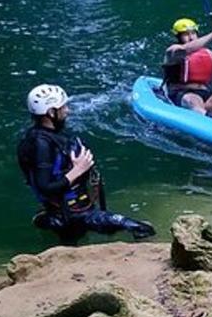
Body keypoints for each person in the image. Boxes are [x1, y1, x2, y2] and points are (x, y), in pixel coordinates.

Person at [17, 84, 156, 242]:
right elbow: (45, 187)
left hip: (73, 209)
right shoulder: (40, 144)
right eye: (63, 108)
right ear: (51, 112)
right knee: (142, 228)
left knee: (73, 242)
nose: (67, 111)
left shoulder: (48, 135)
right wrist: (77, 170)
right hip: (73, 214)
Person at [163, 18, 212, 115]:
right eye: (186, 34)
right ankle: (207, 119)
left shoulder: (208, 53)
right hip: (180, 92)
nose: (191, 37)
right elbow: (185, 49)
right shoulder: (173, 51)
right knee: (193, 100)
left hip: (204, 92)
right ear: (178, 37)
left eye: (193, 33)